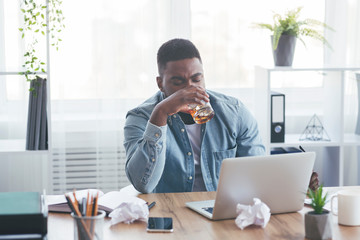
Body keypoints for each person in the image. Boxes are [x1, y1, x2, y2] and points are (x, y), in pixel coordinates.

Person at [124, 38, 318, 194]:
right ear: (160, 83)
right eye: (178, 82)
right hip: (170, 218)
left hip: (223, 214)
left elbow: (257, 174)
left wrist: (295, 185)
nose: (189, 89)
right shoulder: (140, 117)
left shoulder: (234, 113)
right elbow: (144, 185)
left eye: (196, 79)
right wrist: (161, 113)